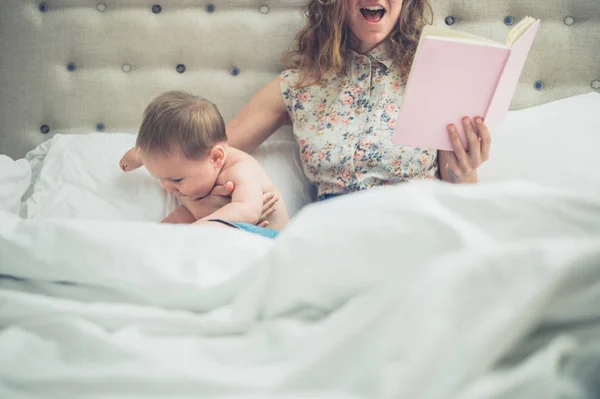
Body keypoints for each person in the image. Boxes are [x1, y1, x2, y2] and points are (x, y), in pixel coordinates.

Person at [155, 0, 492, 216]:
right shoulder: (298, 86)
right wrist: (158, 160)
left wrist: (465, 170)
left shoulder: (436, 75)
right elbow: (211, 151)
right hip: (332, 238)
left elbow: (462, 196)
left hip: (415, 228)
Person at [119, 91, 289, 238]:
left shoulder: (239, 169)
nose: (167, 187)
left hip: (265, 237)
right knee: (170, 225)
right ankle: (151, 240)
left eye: (177, 180)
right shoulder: (184, 163)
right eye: (158, 178)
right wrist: (139, 155)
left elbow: (248, 211)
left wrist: (197, 229)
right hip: (214, 220)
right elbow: (160, 158)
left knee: (194, 222)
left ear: (216, 158)